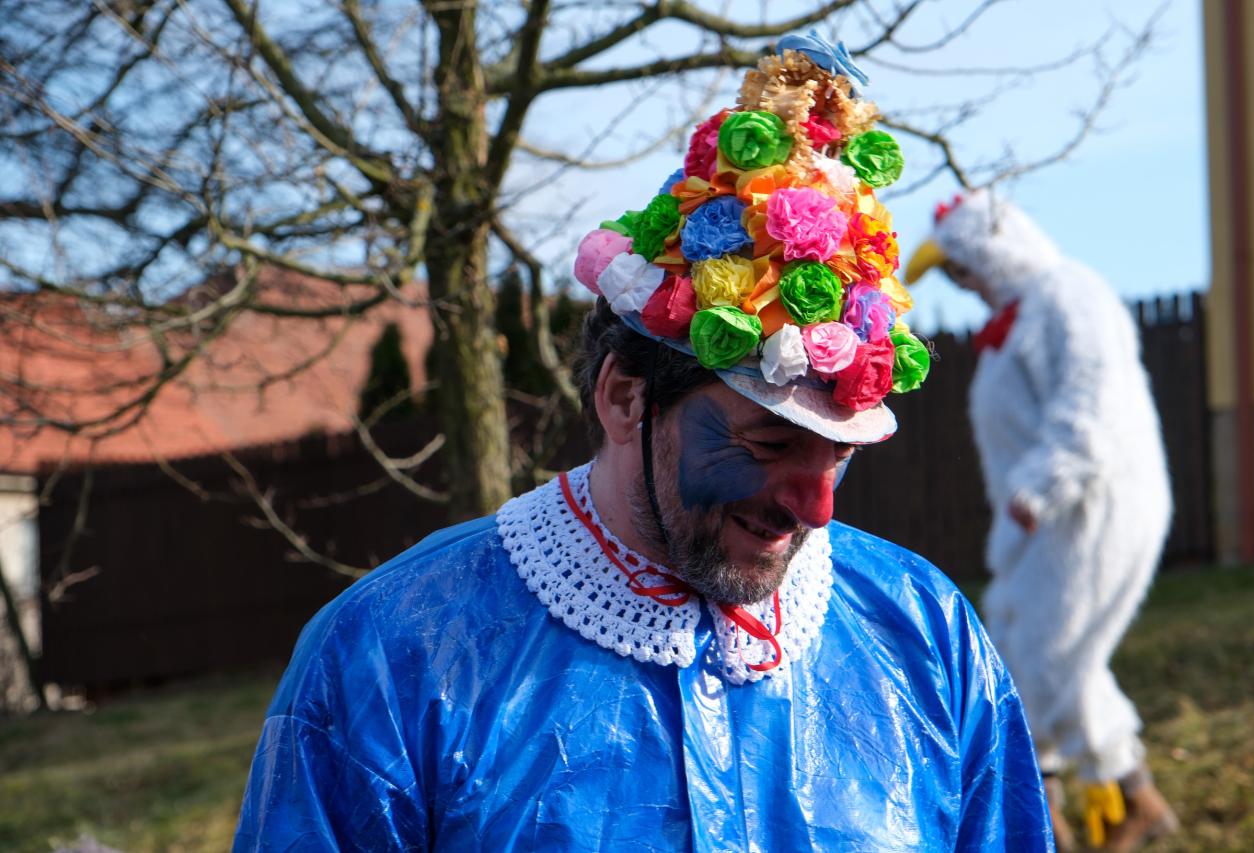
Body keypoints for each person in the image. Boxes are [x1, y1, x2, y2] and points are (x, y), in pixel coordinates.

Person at [235, 35, 1052, 851]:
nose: (817, 506)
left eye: (838, 453)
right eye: (770, 442)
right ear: (626, 397)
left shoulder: (927, 634)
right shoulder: (392, 654)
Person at [905, 189, 1179, 852]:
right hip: (1040, 519)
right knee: (1017, 648)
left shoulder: (1069, 295)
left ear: (993, 252)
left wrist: (1041, 486)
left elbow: (1093, 400)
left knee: (1056, 656)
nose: (964, 286)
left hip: (1092, 504)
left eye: (964, 269)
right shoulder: (1012, 323)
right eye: (954, 277)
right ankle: (1067, 809)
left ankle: (1113, 801)